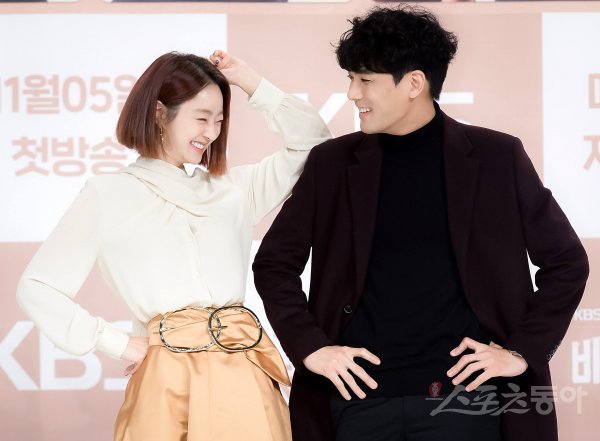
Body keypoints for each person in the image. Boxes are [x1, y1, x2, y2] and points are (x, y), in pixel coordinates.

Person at [252, 5, 589, 441]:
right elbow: (274, 264)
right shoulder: (331, 164)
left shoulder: (497, 157)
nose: (352, 94)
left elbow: (566, 262)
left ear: (414, 83)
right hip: (357, 403)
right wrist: (311, 347)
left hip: (467, 404)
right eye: (351, 79)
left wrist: (522, 352)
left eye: (365, 80)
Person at [16, 50, 331, 440]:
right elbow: (37, 286)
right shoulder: (108, 194)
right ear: (160, 113)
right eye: (201, 118)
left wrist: (251, 82)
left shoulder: (231, 192)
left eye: (219, 121)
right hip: (165, 378)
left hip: (242, 374)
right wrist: (115, 342)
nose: (211, 132)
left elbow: (315, 144)